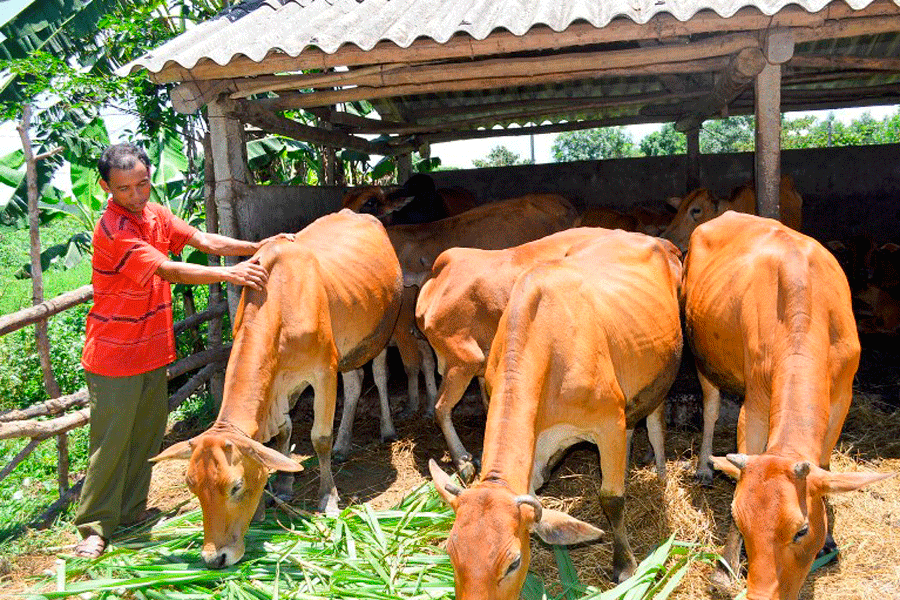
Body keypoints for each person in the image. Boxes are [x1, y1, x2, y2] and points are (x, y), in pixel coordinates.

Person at [73, 143, 293, 559]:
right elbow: (168, 269)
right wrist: (230, 273)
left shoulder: (155, 214)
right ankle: (95, 526)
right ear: (106, 187)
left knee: (146, 434)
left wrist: (255, 246)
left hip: (152, 349)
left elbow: (201, 238)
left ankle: (133, 511)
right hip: (115, 354)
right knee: (110, 442)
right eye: (124, 189)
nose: (136, 195)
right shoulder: (114, 231)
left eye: (142, 184)